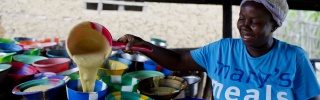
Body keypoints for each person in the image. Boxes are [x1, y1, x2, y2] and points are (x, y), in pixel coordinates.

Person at [117, 0, 320, 99]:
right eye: (242, 18)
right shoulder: (222, 51)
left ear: (274, 25)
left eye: (255, 21)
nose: (244, 25)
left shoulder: (294, 58)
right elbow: (177, 62)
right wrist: (142, 45)